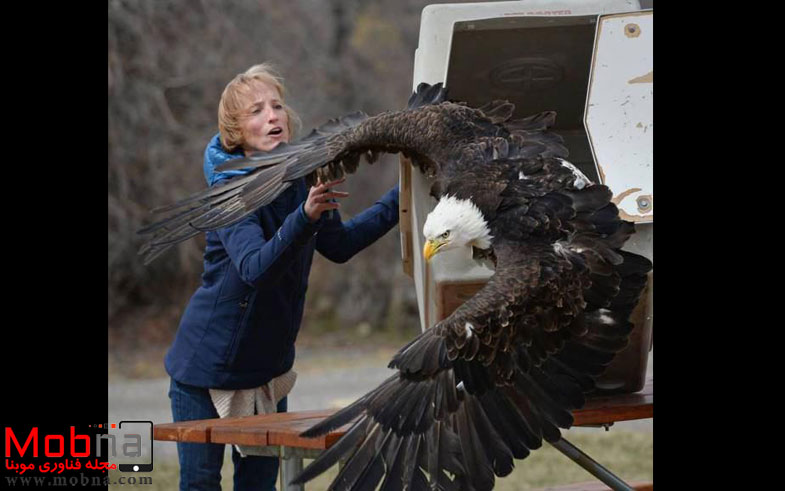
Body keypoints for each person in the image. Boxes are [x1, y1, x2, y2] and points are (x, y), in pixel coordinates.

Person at [165, 63, 399, 491]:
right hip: (205, 371)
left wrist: (401, 197)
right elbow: (255, 269)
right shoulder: (229, 191)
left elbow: (339, 246)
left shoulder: (302, 178)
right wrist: (305, 216)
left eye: (277, 106)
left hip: (268, 373)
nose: (272, 115)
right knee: (200, 485)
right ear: (236, 131)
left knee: (259, 486)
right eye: (256, 110)